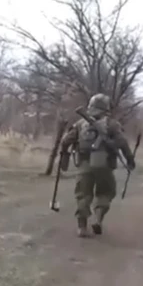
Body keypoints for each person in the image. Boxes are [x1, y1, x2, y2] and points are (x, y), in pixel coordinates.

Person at [58, 93, 136, 237]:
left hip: (84, 164)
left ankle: (81, 227)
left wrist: (64, 154)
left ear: (91, 106)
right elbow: (123, 143)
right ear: (106, 108)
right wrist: (130, 159)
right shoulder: (112, 124)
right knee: (105, 193)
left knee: (83, 195)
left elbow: (66, 141)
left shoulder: (80, 124)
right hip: (105, 165)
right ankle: (98, 219)